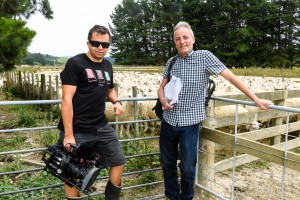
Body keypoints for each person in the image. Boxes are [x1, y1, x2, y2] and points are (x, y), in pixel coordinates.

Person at [157, 21, 273, 200]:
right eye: (177, 39)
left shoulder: (205, 57)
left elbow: (231, 77)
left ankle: (186, 198)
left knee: (188, 167)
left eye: (185, 37)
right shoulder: (172, 62)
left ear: (193, 39)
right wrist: (163, 99)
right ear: (175, 42)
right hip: (169, 120)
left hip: (189, 123)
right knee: (167, 163)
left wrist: (255, 99)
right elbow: (161, 88)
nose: (182, 42)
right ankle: (172, 196)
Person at [57, 25, 125, 200]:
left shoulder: (108, 65)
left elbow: (109, 89)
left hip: (100, 126)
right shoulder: (75, 63)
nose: (100, 47)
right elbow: (66, 99)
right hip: (77, 128)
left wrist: (116, 101)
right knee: (72, 173)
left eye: (105, 44)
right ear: (88, 43)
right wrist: (68, 135)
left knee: (118, 161)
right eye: (96, 43)